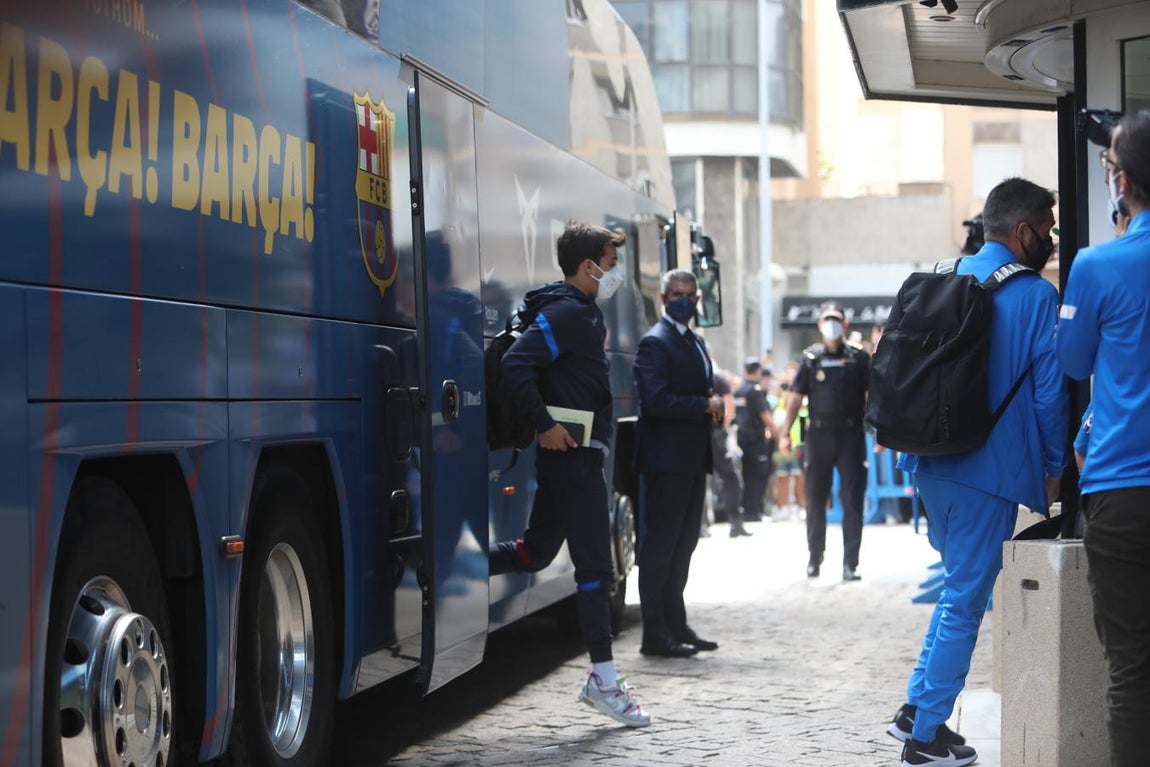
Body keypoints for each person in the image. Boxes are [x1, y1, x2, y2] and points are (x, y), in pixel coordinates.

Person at [888, 177, 1066, 767]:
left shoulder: (942, 274)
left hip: (931, 464)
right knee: (965, 600)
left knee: (955, 592)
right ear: (1022, 232)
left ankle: (918, 707)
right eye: (1047, 228)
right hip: (989, 470)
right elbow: (1047, 397)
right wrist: (1053, 467)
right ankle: (927, 738)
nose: (1050, 238)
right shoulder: (1035, 296)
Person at [487, 221, 650, 727]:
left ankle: (457, 567)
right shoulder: (570, 313)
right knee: (596, 569)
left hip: (573, 455)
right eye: (611, 263)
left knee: (535, 551)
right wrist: (546, 425)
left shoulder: (573, 311)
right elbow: (517, 363)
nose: (615, 273)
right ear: (589, 266)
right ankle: (603, 679)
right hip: (572, 457)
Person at [1057, 111, 1150, 767]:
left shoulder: (1097, 264)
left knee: (1133, 670)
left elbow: (1072, 360)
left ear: (1123, 182)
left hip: (1123, 492)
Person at [633, 268, 725, 659]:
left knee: (684, 545)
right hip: (665, 460)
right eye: (676, 294)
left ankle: (676, 623)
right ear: (664, 298)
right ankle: (654, 633)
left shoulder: (694, 341)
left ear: (699, 300)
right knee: (660, 548)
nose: (684, 300)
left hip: (691, 459)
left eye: (690, 294)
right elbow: (656, 399)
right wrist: (704, 405)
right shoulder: (656, 342)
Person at [779, 301, 870, 581]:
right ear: (820, 325)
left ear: (844, 324)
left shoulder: (858, 358)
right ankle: (814, 557)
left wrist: (878, 432)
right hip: (819, 436)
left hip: (850, 436)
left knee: (852, 500)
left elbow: (872, 396)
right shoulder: (810, 359)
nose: (831, 324)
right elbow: (795, 399)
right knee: (816, 499)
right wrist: (785, 432)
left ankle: (850, 563)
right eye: (826, 319)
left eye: (836, 319)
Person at [734, 360, 779, 524]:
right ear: (758, 371)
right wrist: (777, 433)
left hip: (741, 438)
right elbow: (765, 415)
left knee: (746, 475)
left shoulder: (739, 390)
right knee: (758, 474)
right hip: (755, 439)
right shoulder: (755, 390)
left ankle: (747, 509)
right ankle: (754, 511)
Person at [710, 360, 748, 537]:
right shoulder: (718, 378)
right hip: (716, 435)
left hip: (695, 434)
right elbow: (729, 406)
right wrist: (723, 428)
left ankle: (700, 526)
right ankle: (735, 523)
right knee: (731, 478)